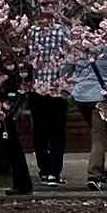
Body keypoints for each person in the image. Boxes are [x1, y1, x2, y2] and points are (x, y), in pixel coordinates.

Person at [70, 43, 107, 191]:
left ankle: (101, 172)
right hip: (101, 97)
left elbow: (65, 72)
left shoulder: (75, 50)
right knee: (98, 136)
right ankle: (94, 175)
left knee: (97, 132)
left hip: (81, 97)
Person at [25, 20, 73, 187]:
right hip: (57, 90)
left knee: (40, 133)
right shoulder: (64, 31)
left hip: (37, 90)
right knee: (57, 134)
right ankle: (54, 172)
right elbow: (70, 60)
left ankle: (44, 170)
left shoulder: (31, 31)